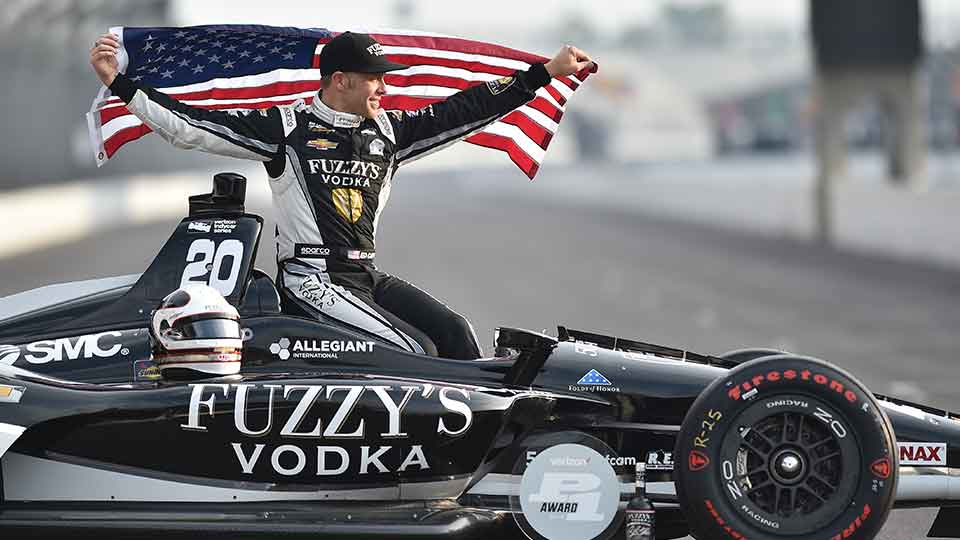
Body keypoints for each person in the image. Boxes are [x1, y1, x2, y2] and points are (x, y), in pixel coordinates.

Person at [90, 31, 593, 359]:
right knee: (411, 350)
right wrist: (121, 84)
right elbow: (191, 128)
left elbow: (467, 110)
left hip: (365, 275)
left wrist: (543, 74)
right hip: (310, 278)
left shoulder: (389, 132)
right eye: (375, 78)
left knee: (456, 334)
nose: (383, 88)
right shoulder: (286, 128)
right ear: (340, 80)